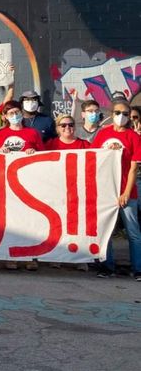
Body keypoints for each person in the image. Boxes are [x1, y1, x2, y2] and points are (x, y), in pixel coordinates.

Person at [92, 99, 141, 280]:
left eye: (126, 114)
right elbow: (94, 160)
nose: (121, 117)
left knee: (133, 233)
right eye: (118, 113)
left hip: (127, 192)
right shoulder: (102, 135)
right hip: (106, 191)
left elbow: (133, 168)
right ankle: (107, 266)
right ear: (111, 114)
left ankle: (138, 269)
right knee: (106, 231)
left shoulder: (133, 137)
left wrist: (126, 193)